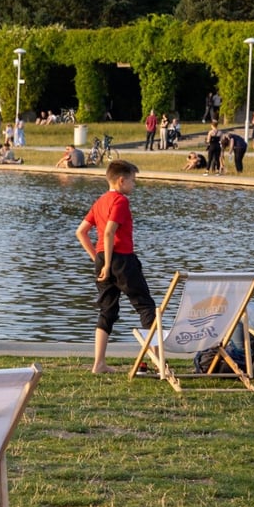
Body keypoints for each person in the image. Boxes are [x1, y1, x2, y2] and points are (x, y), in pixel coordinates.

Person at [75, 160, 156, 374]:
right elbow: (110, 232)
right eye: (133, 181)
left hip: (104, 258)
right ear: (121, 180)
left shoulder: (100, 201)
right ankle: (160, 360)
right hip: (122, 261)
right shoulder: (120, 201)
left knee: (107, 310)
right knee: (145, 305)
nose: (134, 185)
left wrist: (98, 259)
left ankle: (99, 364)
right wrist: (109, 264)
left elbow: (81, 232)